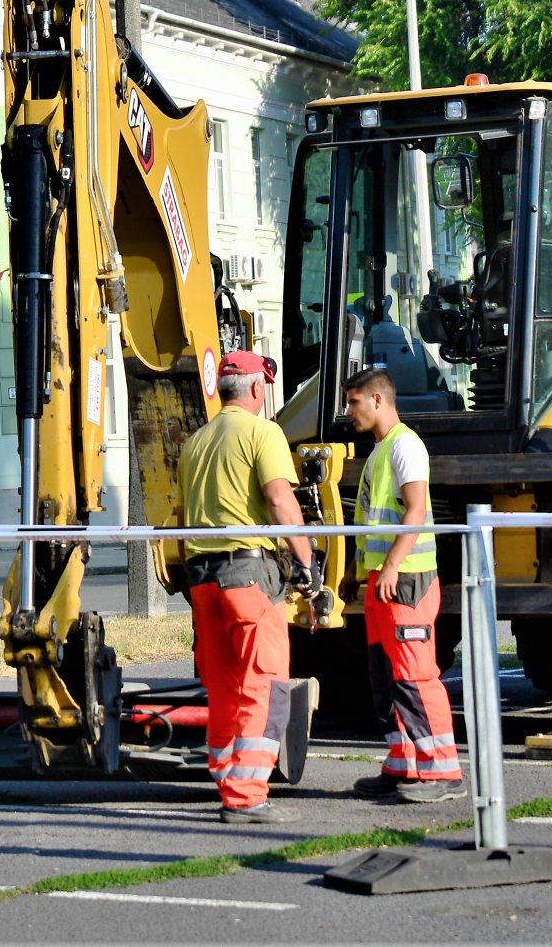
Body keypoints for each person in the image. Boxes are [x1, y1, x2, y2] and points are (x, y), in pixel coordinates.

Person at [175, 350, 315, 824]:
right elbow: (279, 498)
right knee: (264, 681)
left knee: (224, 685)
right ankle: (247, 794)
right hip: (247, 576)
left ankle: (225, 775)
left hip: (202, 580)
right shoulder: (263, 433)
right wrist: (306, 561)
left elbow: (179, 519)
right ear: (259, 389)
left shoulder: (195, 442)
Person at [343, 367, 465, 803]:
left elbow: (415, 512)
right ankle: (404, 764)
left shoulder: (405, 446)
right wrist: (355, 570)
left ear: (378, 401)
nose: (348, 411)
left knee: (413, 676)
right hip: (384, 582)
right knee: (386, 677)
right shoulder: (380, 451)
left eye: (354, 402)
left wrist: (391, 565)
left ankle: (443, 771)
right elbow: (374, 522)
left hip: (407, 581)